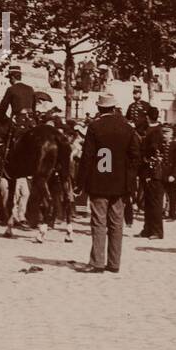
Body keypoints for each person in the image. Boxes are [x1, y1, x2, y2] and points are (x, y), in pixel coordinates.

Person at [74, 92, 140, 274]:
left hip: (99, 181)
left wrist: (80, 182)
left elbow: (87, 157)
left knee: (98, 222)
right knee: (116, 223)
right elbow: (135, 156)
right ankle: (114, 263)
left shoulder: (95, 127)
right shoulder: (127, 127)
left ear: (99, 108)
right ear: (114, 107)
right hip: (120, 184)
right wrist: (128, 178)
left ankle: (97, 262)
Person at [138, 105, 168, 239]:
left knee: (155, 202)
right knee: (149, 201)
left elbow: (154, 151)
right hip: (150, 170)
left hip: (154, 171)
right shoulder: (154, 129)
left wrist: (145, 161)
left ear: (147, 117)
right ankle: (148, 228)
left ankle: (156, 231)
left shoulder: (154, 131)